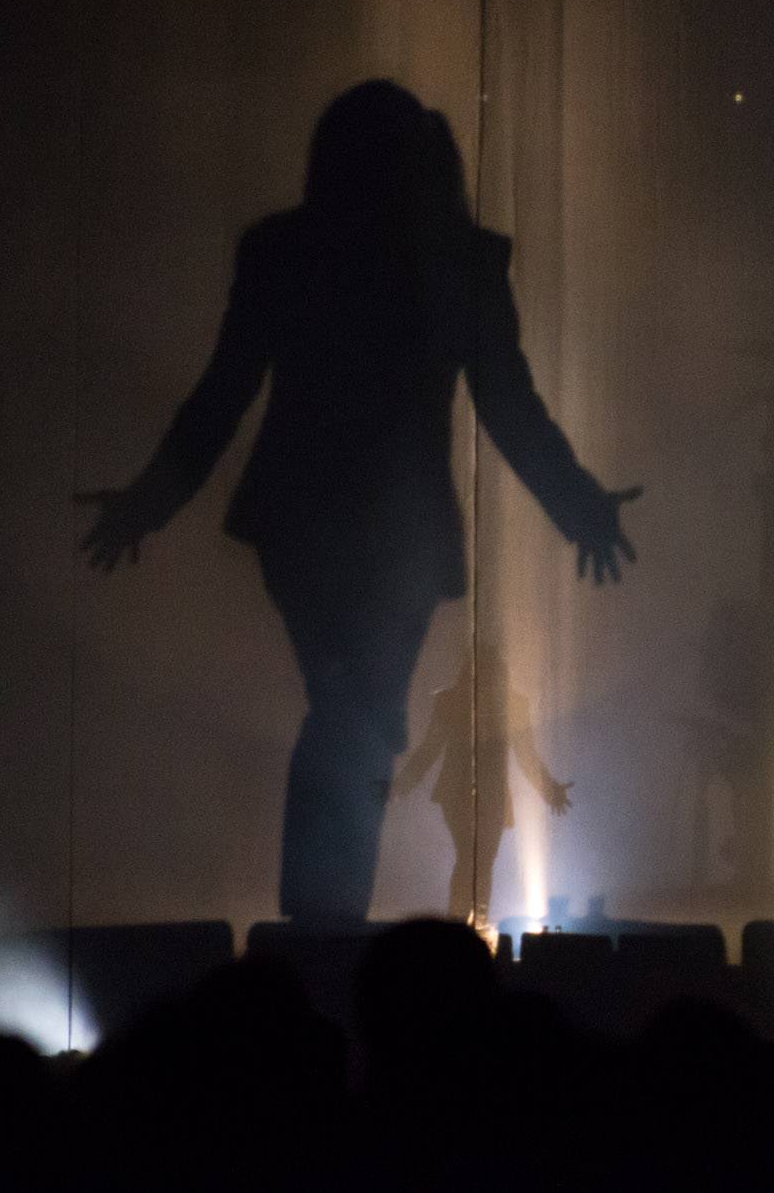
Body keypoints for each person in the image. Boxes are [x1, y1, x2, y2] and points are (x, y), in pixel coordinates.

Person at [78, 80, 637, 924]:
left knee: (354, 712)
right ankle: (324, 922)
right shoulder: (458, 265)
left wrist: (147, 504)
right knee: (360, 714)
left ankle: (322, 922)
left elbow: (223, 395)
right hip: (385, 539)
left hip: (307, 527)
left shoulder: (288, 252)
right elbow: (509, 408)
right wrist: (580, 504)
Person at [393, 646, 571, 927]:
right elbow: (431, 748)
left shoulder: (492, 703)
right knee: (476, 859)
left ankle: (466, 925)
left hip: (483, 795)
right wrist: (399, 786)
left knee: (477, 860)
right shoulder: (459, 702)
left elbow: (525, 755)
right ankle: (467, 926)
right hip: (463, 793)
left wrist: (549, 789)